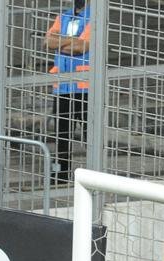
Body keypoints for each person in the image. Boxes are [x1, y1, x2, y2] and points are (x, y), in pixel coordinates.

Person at [44, 0, 92, 185]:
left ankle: (95, 174)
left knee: (89, 133)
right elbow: (48, 41)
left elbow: (82, 47)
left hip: (84, 87)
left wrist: (62, 42)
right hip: (62, 86)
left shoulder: (94, 16)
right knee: (62, 133)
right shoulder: (63, 16)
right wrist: (71, 42)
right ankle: (62, 174)